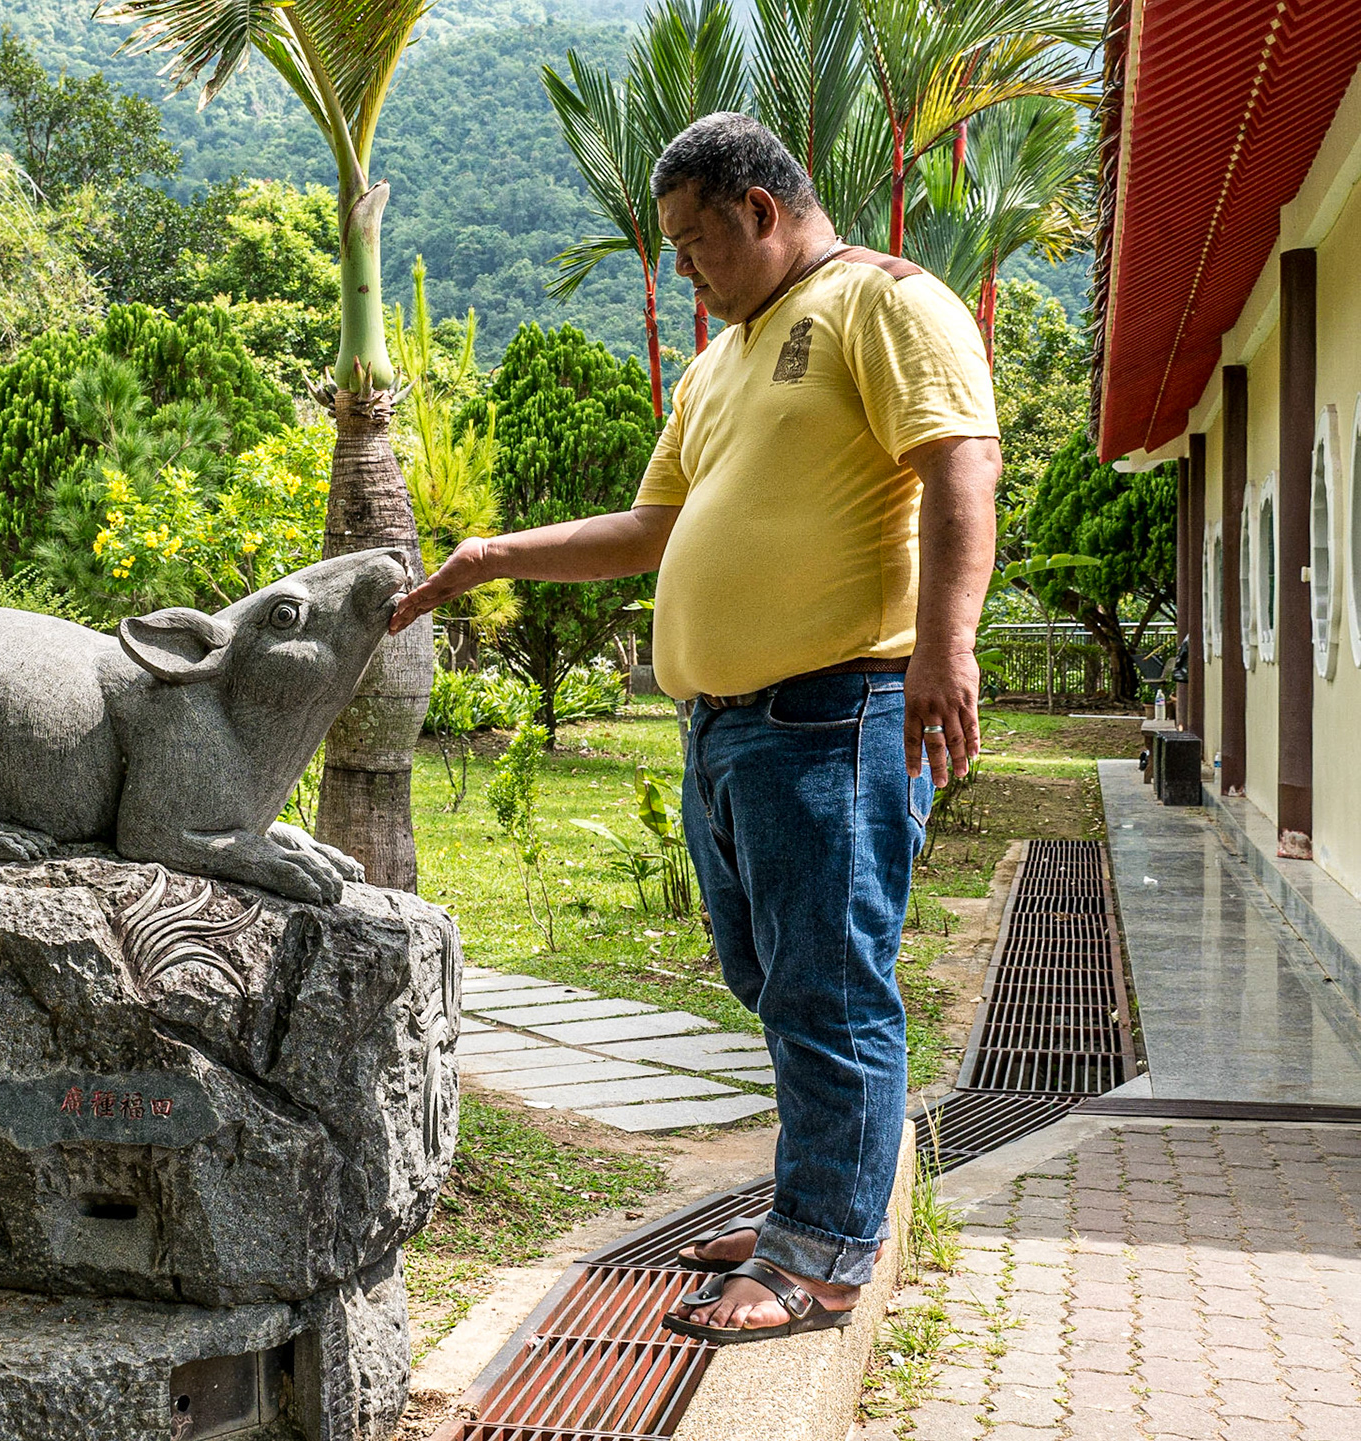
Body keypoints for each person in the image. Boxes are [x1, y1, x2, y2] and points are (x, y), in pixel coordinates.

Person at [391, 113, 999, 1344]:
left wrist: (946, 649)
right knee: (773, 981)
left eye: (690, 244)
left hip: (836, 712)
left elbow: (961, 464)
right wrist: (488, 556)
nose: (684, 271)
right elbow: (651, 527)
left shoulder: (885, 303)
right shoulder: (726, 360)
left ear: (759, 210)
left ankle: (823, 1252)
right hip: (726, 731)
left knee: (828, 985)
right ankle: (806, 1202)